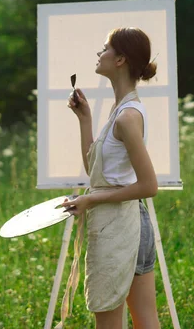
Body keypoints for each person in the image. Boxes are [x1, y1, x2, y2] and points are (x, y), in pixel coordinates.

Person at [60, 27, 160, 329]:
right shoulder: (120, 111)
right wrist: (86, 120)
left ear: (120, 60)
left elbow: (148, 186)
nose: (99, 54)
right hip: (124, 223)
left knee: (112, 321)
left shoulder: (128, 116)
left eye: (105, 48)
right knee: (144, 319)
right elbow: (97, 173)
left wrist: (90, 199)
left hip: (124, 227)